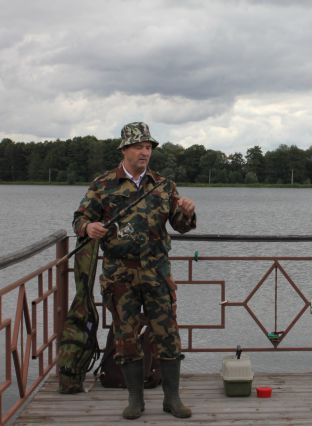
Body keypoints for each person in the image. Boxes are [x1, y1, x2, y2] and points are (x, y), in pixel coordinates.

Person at [73, 122, 196, 419]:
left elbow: (180, 226)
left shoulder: (163, 185)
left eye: (148, 147)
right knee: (126, 338)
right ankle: (135, 400)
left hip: (157, 272)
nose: (145, 152)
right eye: (139, 147)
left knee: (168, 335)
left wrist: (187, 212)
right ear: (124, 149)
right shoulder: (103, 184)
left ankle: (172, 399)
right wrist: (89, 227)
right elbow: (79, 220)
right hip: (119, 275)